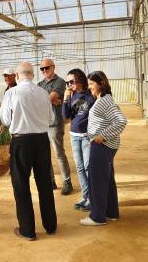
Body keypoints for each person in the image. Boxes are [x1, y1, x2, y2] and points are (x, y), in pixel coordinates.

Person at [0, 62, 57, 241]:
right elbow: (51, 118)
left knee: (21, 186)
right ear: (32, 75)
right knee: (45, 184)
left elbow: (6, 120)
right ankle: (50, 226)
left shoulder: (11, 93)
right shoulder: (43, 92)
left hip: (21, 141)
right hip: (41, 141)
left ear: (17, 75)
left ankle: (28, 230)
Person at [80, 71, 127, 226]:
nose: (89, 87)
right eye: (89, 84)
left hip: (103, 146)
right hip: (104, 145)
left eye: (92, 84)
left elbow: (121, 121)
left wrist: (102, 136)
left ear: (102, 83)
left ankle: (97, 217)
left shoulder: (105, 101)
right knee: (106, 181)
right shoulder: (102, 99)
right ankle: (111, 212)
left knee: (97, 181)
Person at [38, 58, 73, 195]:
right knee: (45, 155)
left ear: (53, 67)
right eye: (42, 69)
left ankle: (67, 182)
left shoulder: (59, 82)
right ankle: (50, 181)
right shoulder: (39, 84)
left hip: (54, 124)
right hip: (41, 124)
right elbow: (40, 101)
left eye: (47, 68)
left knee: (59, 153)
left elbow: (47, 98)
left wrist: (50, 99)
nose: (45, 71)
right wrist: (51, 100)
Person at [62, 69, 95, 212]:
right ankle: (85, 196)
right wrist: (65, 99)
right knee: (80, 168)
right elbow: (65, 115)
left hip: (87, 136)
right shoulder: (71, 95)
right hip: (74, 136)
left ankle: (92, 199)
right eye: (67, 82)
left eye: (71, 81)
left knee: (88, 167)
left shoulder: (90, 94)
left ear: (80, 80)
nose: (69, 85)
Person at [0, 68, 17, 134]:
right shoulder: (7, 90)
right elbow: (6, 108)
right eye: (5, 76)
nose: (7, 78)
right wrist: (3, 123)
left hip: (18, 125)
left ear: (14, 76)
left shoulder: (18, 89)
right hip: (12, 124)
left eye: (9, 75)